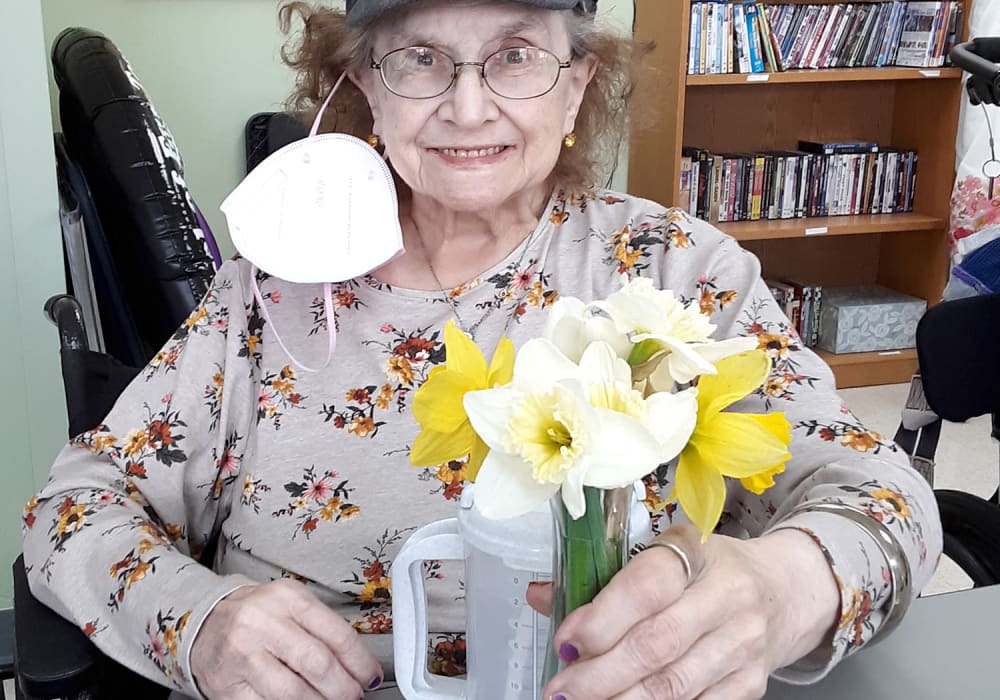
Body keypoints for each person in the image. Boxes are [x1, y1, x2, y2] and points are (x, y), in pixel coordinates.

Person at [22, 1, 942, 698]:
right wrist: (198, 621)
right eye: (420, 59)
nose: (468, 107)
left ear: (578, 81)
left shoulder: (677, 274)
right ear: (364, 85)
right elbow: (74, 508)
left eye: (514, 56)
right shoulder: (272, 292)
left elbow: (885, 496)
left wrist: (784, 588)